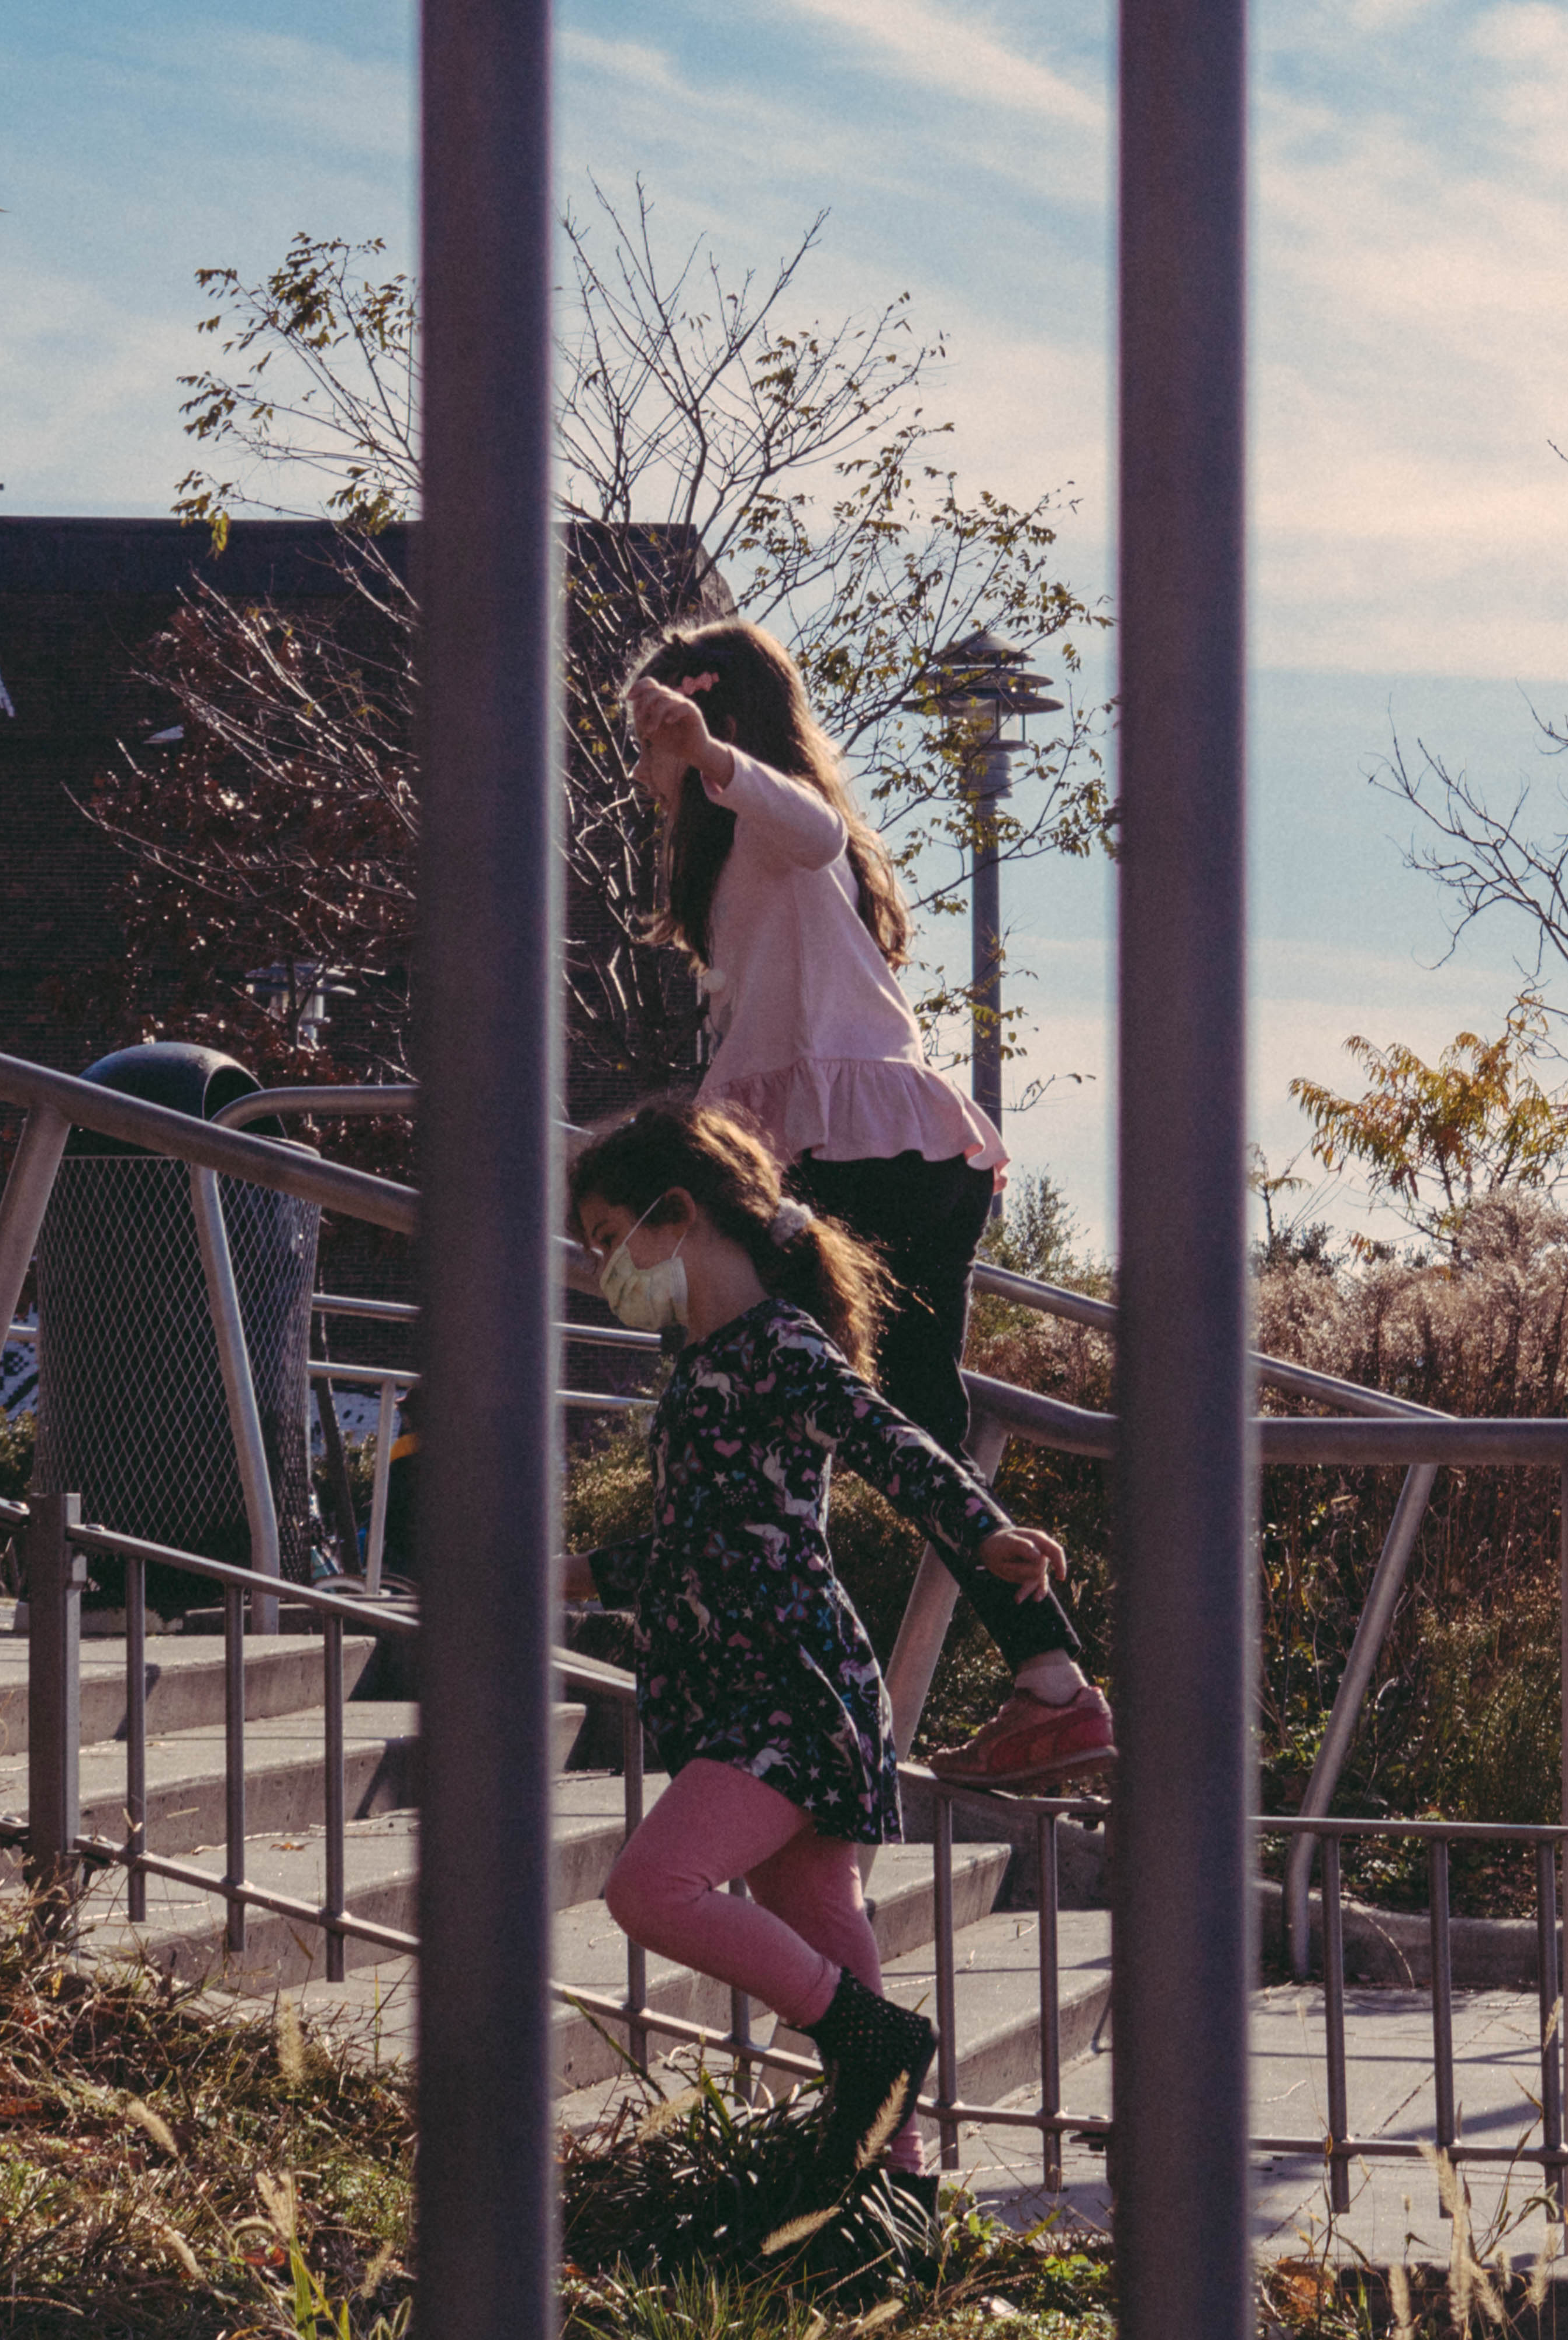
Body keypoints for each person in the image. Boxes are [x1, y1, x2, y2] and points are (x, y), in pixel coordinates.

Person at [623, 620, 1115, 1788]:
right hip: (900, 1154)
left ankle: (769, 1688)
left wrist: (711, 755)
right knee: (911, 1419)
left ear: (718, 722)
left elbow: (813, 824)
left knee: (749, 1394)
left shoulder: (775, 823)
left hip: (861, 1156)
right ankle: (1051, 1684)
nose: (646, 765)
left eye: (660, 736)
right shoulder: (733, 867)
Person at [563, 1104, 1071, 2212]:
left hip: (788, 1687)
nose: (604, 1268)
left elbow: (887, 1436)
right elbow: (702, 1540)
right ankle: (897, 2198)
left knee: (651, 1889)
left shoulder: (778, 1345)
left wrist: (985, 1532)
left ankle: (870, 2041)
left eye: (609, 1237)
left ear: (678, 1214)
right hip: (752, 1686)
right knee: (828, 1933)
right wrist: (572, 1578)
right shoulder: (704, 1363)